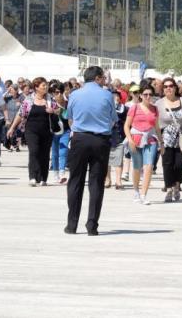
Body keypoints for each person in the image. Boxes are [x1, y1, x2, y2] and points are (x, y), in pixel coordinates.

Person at [64, 66, 117, 236]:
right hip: (100, 139)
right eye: (102, 78)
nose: (104, 81)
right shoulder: (107, 95)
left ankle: (72, 224)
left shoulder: (74, 94)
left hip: (79, 138)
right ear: (97, 78)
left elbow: (70, 117)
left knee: (75, 181)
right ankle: (92, 225)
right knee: (96, 183)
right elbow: (113, 119)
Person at [7, 77, 59, 187]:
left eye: (46, 85)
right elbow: (20, 114)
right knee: (34, 151)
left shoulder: (50, 99)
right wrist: (12, 128)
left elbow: (60, 111)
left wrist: (53, 111)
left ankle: (43, 178)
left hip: (47, 131)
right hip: (31, 131)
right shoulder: (28, 100)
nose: (46, 87)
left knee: (44, 155)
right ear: (36, 88)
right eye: (43, 85)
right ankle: (32, 177)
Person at [125, 85, 159, 205]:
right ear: (140, 95)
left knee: (148, 166)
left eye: (150, 94)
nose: (148, 97)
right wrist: (130, 140)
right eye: (145, 94)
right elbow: (126, 126)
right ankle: (136, 191)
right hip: (136, 139)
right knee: (137, 167)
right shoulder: (134, 108)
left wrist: (161, 143)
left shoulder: (155, 109)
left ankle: (144, 194)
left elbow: (157, 127)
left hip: (151, 140)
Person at [50, 82, 71, 183]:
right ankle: (55, 173)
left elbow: (68, 117)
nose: (56, 94)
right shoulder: (50, 103)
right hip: (54, 132)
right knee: (54, 153)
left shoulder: (68, 103)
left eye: (58, 92)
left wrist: (61, 110)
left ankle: (62, 173)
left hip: (66, 131)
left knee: (63, 151)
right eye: (54, 92)